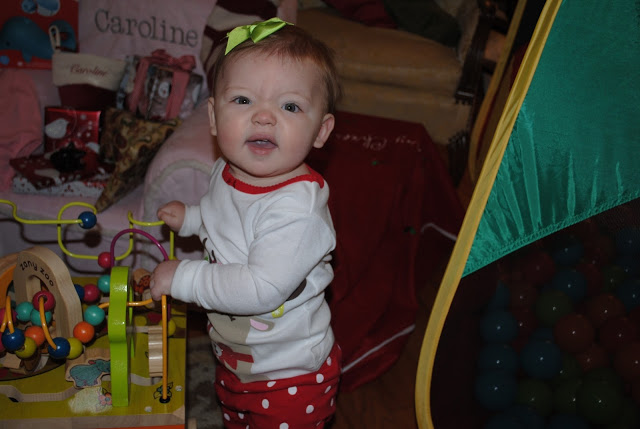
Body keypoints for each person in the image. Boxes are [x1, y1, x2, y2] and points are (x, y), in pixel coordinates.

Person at [149, 18, 342, 428]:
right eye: (243, 100)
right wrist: (194, 218)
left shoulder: (297, 210)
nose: (264, 117)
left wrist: (183, 278)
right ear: (214, 117)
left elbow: (260, 288)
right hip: (238, 356)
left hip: (290, 374)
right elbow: (227, 221)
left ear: (321, 131)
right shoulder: (225, 169)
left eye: (290, 106)